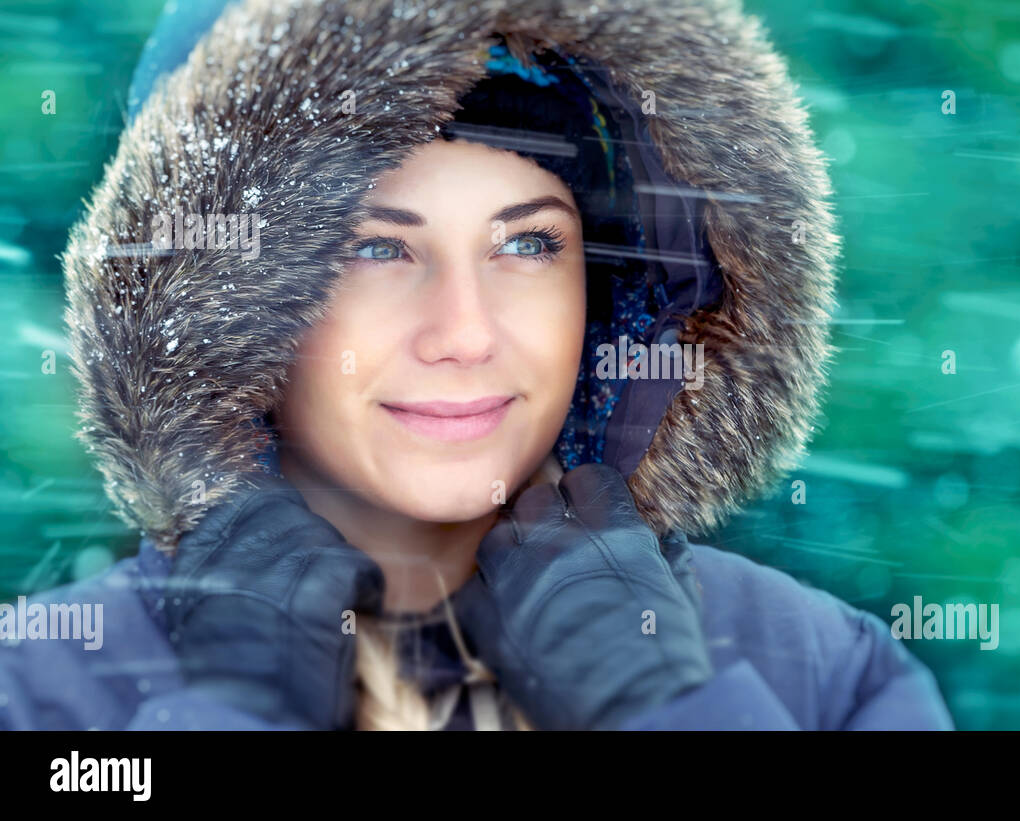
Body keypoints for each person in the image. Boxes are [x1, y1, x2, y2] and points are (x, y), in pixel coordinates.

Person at [0, 0, 953, 731]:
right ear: (219, 301)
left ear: (617, 292)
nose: (463, 333)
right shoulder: (40, 687)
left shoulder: (823, 671)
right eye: (374, 249)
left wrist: (665, 707)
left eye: (530, 246)